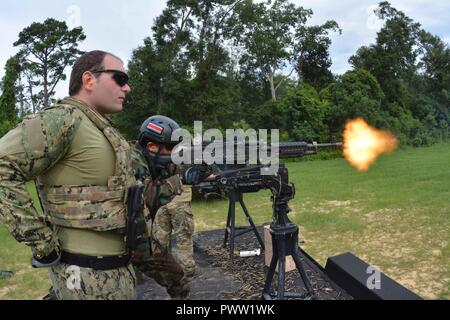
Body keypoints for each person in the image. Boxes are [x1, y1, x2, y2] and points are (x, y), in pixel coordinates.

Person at [0, 50, 178, 300]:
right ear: (89, 80)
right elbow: (2, 166)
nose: (127, 88)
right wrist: (40, 241)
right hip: (85, 276)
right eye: (119, 78)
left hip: (113, 273)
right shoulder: (63, 119)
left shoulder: (100, 127)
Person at [132, 116, 201, 300]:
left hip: (137, 236)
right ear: (152, 147)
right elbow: (147, 196)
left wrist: (200, 168)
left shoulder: (153, 159)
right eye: (171, 148)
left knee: (176, 277)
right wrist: (182, 179)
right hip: (116, 241)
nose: (174, 153)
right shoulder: (132, 160)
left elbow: (171, 171)